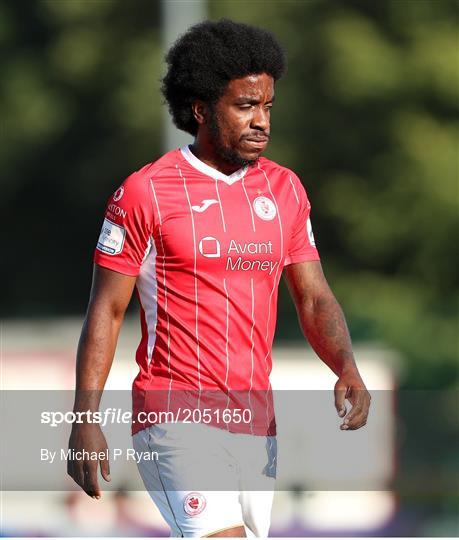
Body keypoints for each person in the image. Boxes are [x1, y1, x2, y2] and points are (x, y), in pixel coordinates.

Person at [67, 19, 371, 538]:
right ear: (201, 108)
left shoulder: (285, 190)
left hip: (256, 422)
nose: (262, 121)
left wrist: (346, 365)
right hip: (174, 415)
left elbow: (314, 298)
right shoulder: (145, 192)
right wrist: (83, 419)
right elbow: (107, 310)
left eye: (268, 106)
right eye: (245, 106)